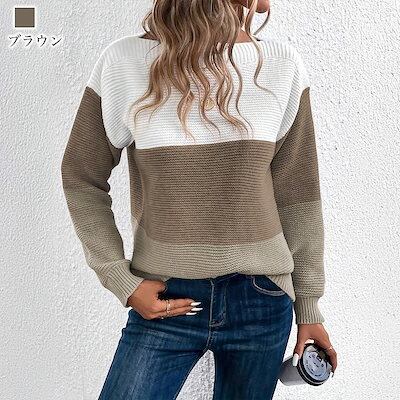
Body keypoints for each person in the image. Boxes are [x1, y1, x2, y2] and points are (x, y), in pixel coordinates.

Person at [61, 0, 337, 398]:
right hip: (165, 297)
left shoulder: (281, 64)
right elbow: (81, 176)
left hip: (262, 302)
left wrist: (309, 307)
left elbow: (299, 195)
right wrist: (120, 279)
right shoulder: (126, 61)